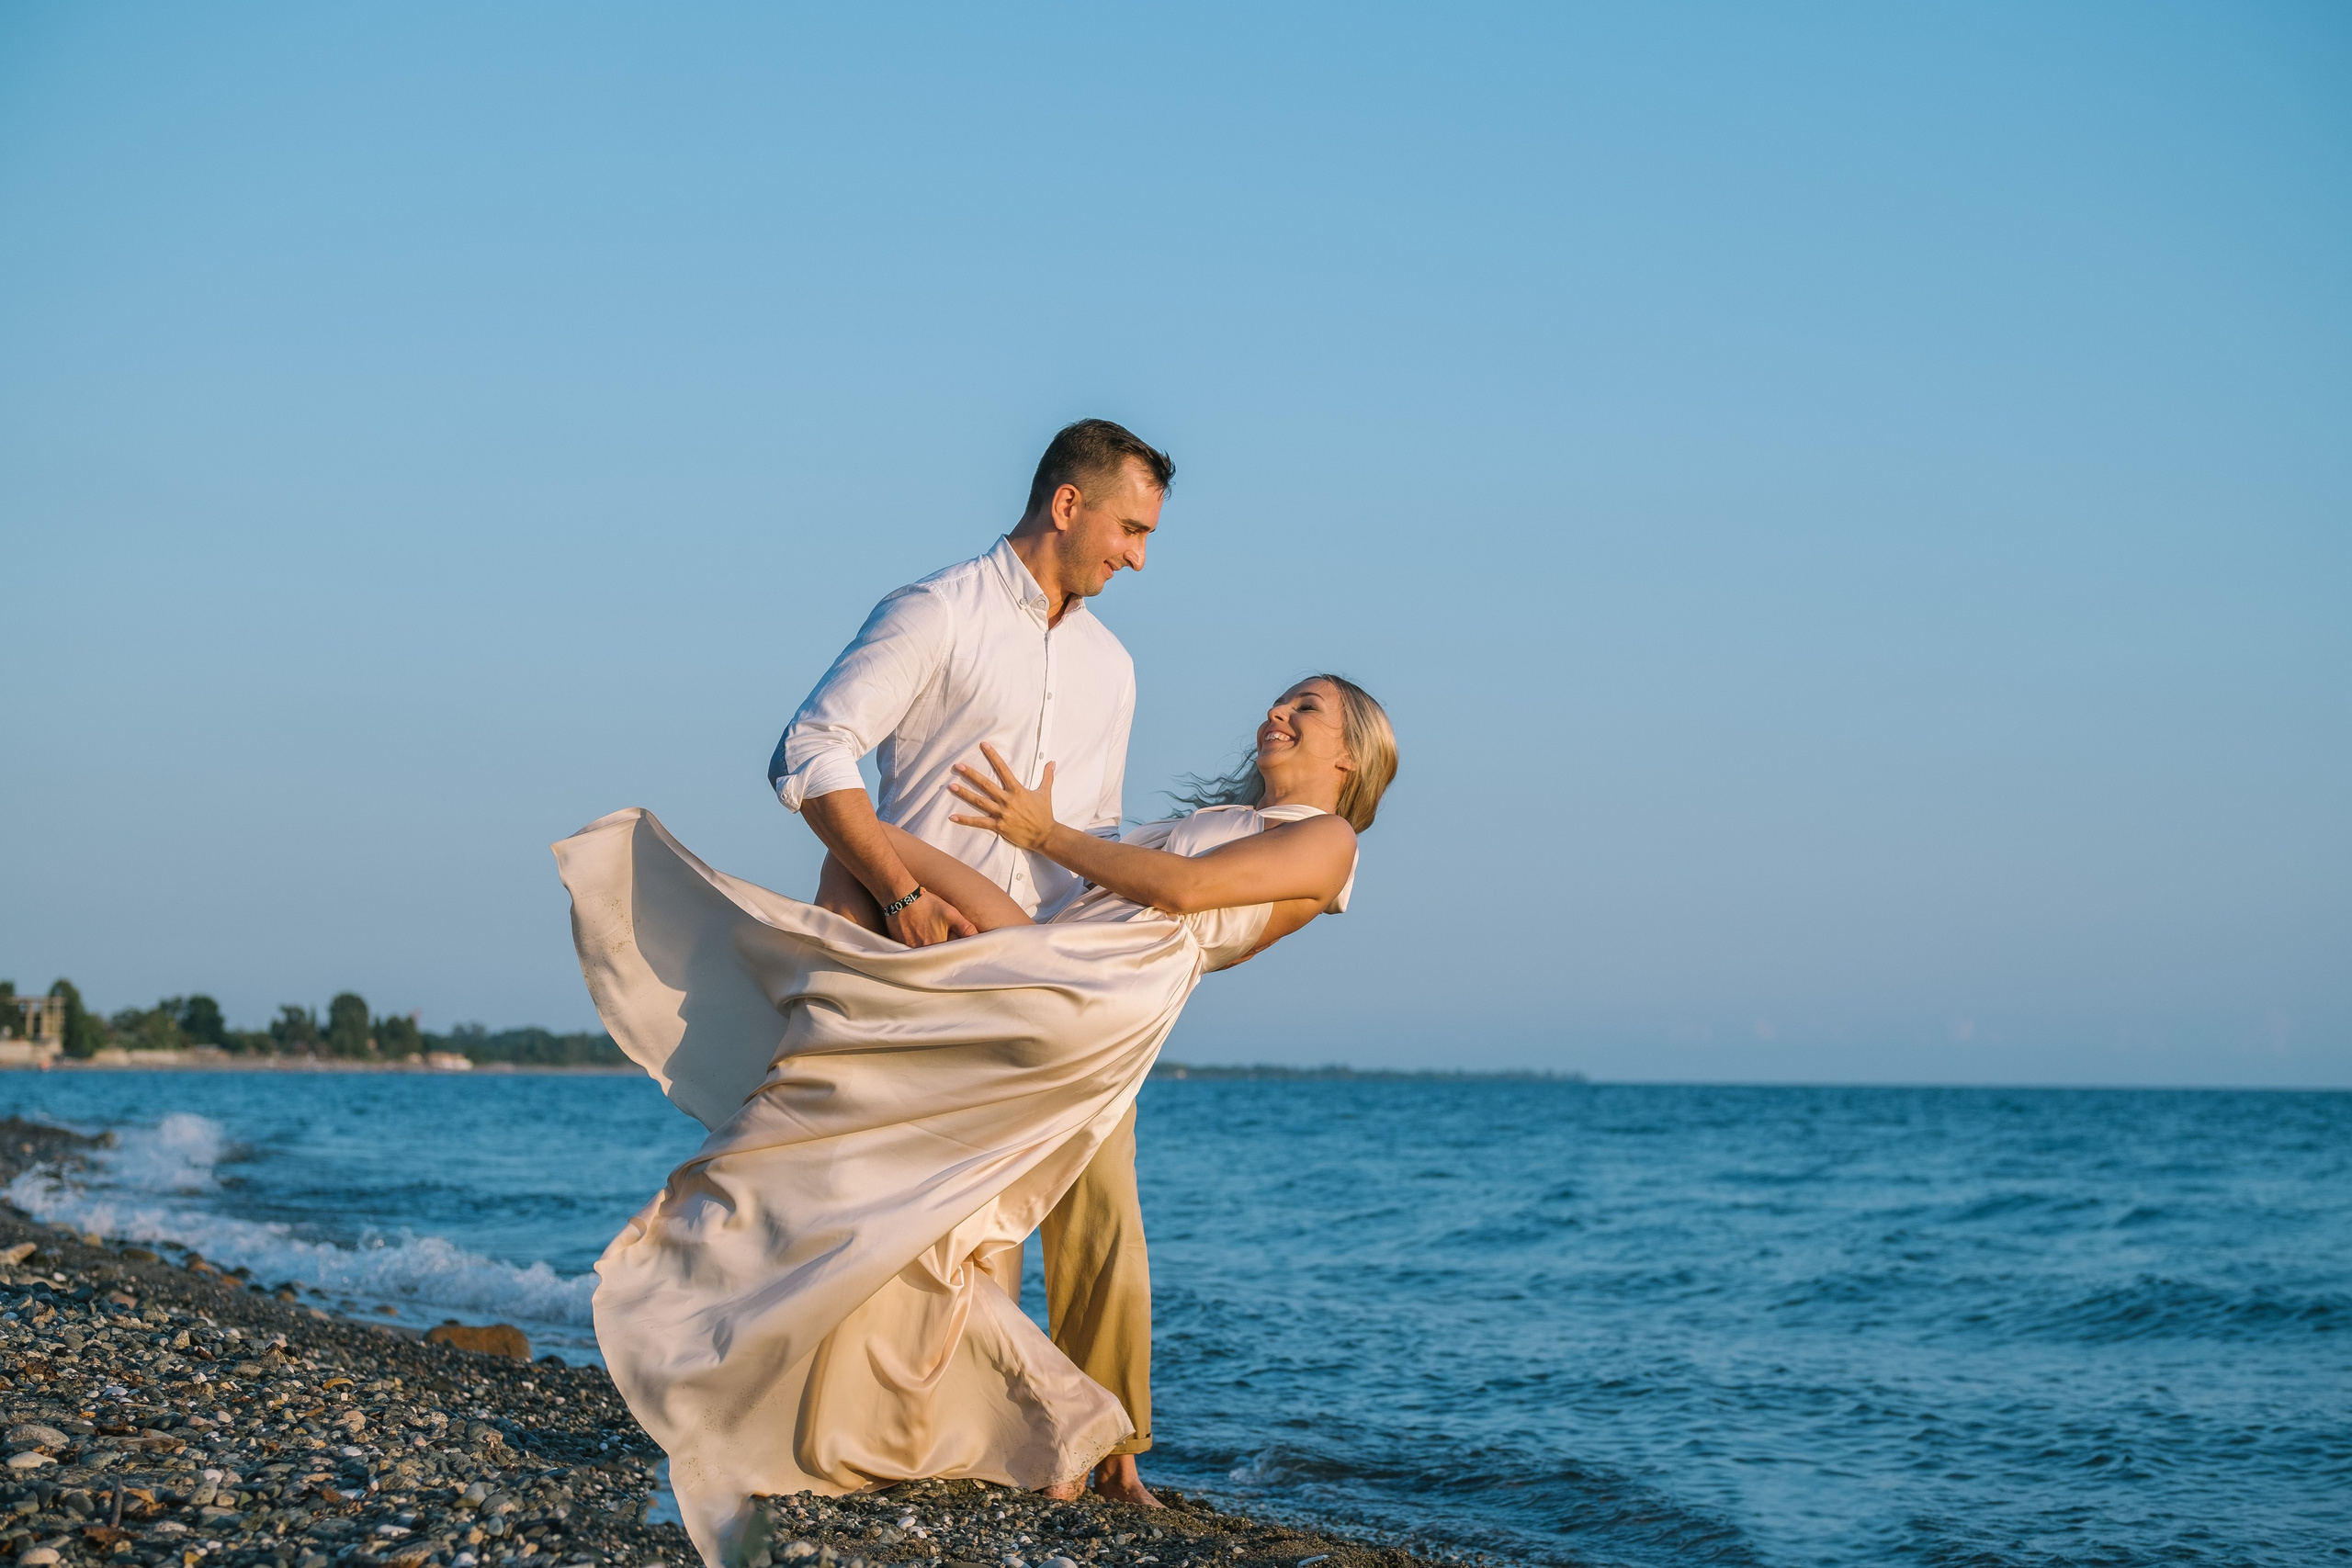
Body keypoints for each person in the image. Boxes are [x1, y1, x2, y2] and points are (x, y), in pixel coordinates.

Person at [554, 675, 1397, 1568]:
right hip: (1065, 948)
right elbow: (1115, 899)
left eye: (1304, 709)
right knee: (867, 848)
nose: (1277, 713)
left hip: (1102, 986)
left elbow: (1185, 896)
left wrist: (1044, 834)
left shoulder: (1329, 839)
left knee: (993, 1180)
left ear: (1349, 754)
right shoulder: (1237, 816)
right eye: (1280, 701)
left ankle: (813, 1089)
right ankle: (968, 1393)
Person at [765, 418, 1169, 1505]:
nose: (1137, 556)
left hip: (1063, 973)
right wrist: (896, 894)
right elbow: (808, 751)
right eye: (1129, 528)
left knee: (1102, 1211)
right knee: (955, 1227)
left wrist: (1117, 970)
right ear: (1068, 505)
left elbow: (1098, 828)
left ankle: (1114, 1444)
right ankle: (981, 1440)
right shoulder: (935, 610)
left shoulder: (1112, 665)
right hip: (934, 960)